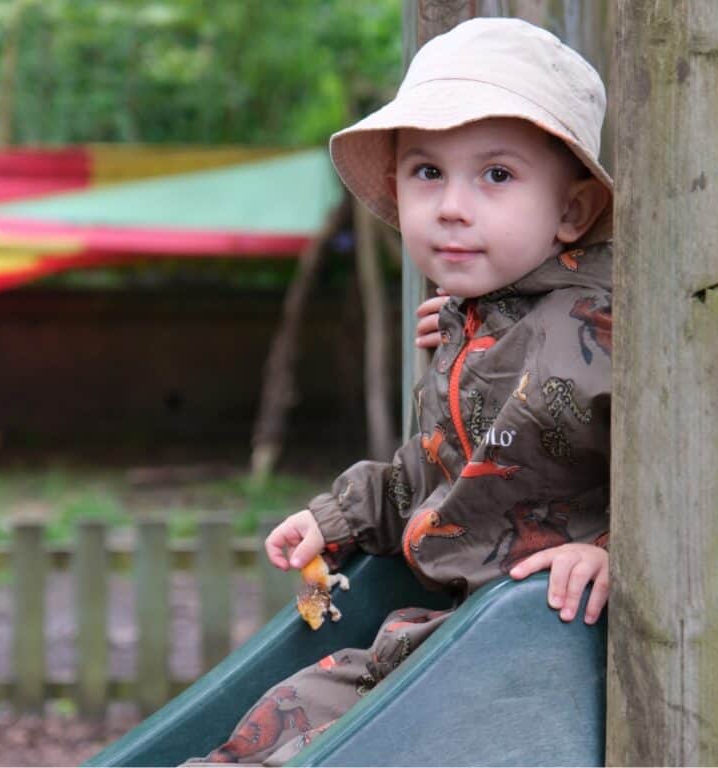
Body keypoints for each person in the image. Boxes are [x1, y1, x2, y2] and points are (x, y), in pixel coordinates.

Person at [193, 16, 613, 765]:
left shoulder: (612, 335)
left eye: (497, 175)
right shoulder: (461, 331)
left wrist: (619, 552)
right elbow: (442, 481)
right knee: (285, 716)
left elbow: (702, 487)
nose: (452, 204)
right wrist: (340, 517)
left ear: (572, 211)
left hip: (545, 655)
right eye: (427, 172)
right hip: (446, 635)